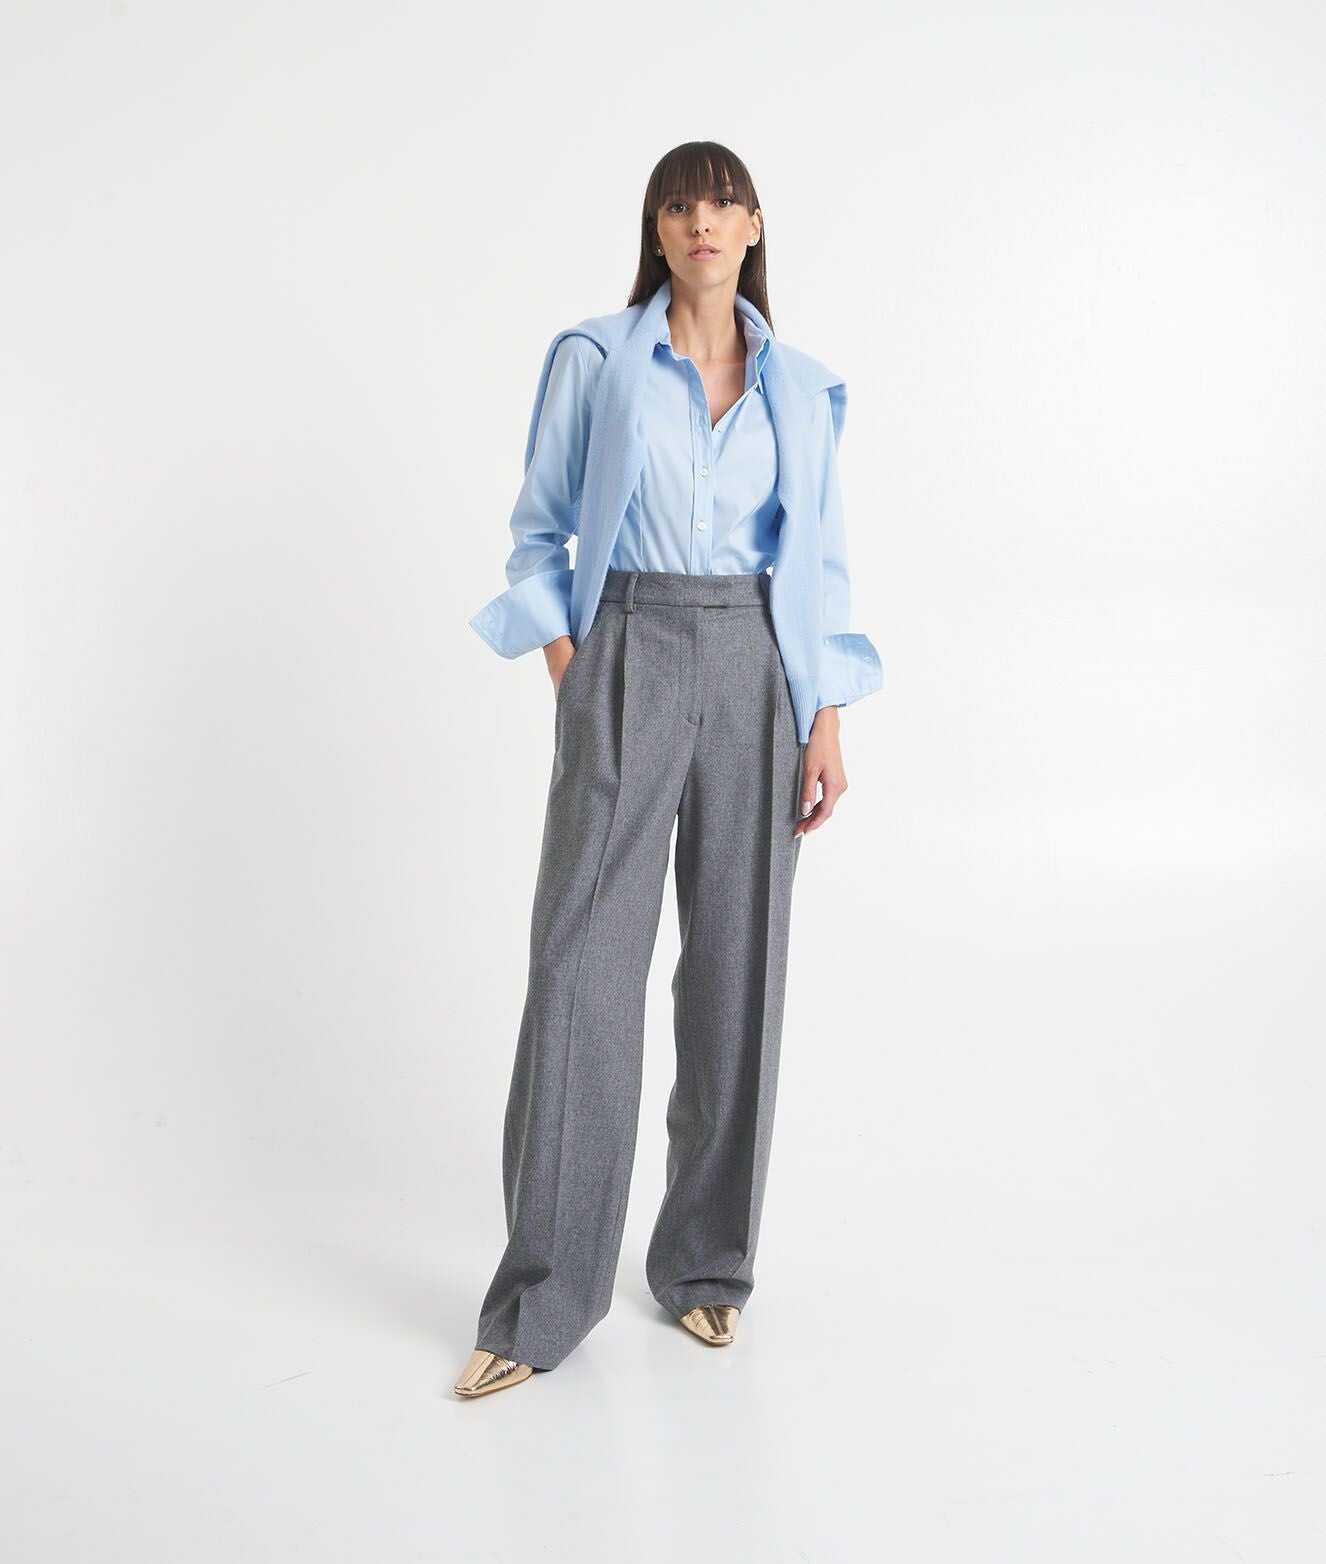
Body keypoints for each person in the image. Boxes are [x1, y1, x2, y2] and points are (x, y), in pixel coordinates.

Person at [455, 141, 883, 1398]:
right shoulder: (595, 361)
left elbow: (822, 562)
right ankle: (542, 1299)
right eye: (680, 203)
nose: (703, 221)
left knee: (738, 967)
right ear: (657, 229)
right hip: (628, 641)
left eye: (724, 202)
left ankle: (705, 1264)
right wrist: (574, 664)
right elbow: (539, 530)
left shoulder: (800, 386)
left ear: (755, 227)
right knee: (581, 966)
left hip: (758, 658)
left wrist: (825, 717)